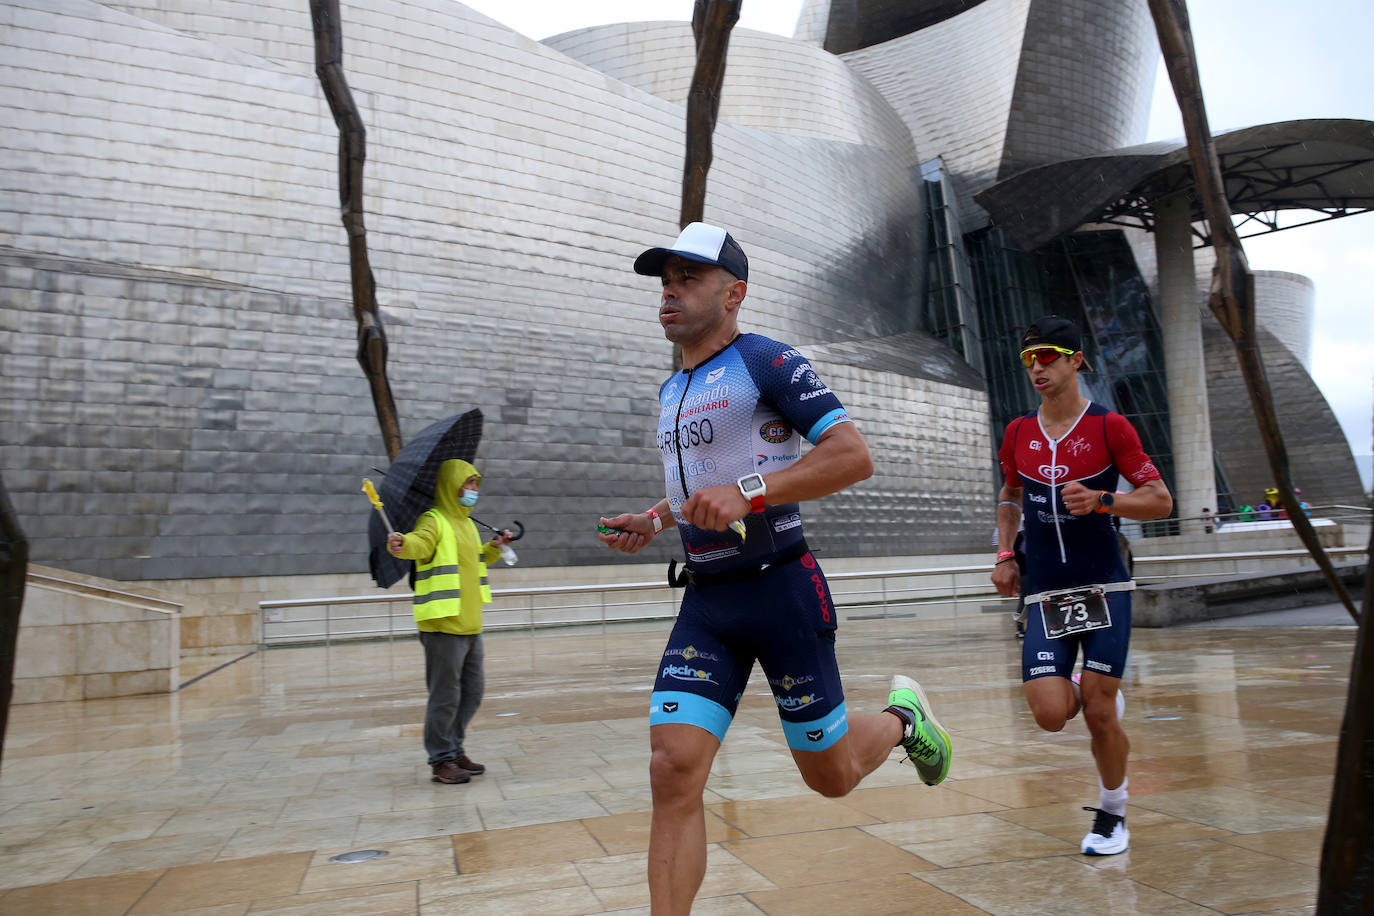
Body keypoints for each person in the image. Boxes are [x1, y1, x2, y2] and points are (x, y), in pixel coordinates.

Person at [598, 222, 952, 914]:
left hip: (783, 592)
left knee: (833, 777)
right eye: (665, 282)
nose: (669, 293)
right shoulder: (675, 387)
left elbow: (853, 455)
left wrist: (751, 493)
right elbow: (703, 482)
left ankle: (905, 721)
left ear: (735, 293)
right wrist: (656, 519)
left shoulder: (768, 362)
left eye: (688, 280)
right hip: (707, 607)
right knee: (672, 772)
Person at [990, 316, 1172, 857]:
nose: (1037, 367)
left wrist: (1104, 500)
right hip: (1045, 592)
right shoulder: (1018, 432)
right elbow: (1010, 494)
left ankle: (1112, 814)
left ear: (1076, 360)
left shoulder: (1110, 426)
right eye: (1028, 359)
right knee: (1049, 713)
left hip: (1104, 588)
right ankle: (1096, 692)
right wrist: (1004, 554)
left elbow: (1160, 500)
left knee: (1096, 710)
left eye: (1047, 355)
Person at [387, 458, 513, 785]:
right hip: (442, 625)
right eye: (468, 483)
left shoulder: (468, 525)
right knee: (445, 695)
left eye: (475, 485)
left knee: (472, 692)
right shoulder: (434, 520)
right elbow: (419, 543)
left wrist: (495, 548)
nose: (473, 490)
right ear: (450, 485)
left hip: (470, 624)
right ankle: (441, 758)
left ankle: (454, 748)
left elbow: (476, 559)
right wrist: (403, 544)